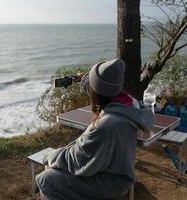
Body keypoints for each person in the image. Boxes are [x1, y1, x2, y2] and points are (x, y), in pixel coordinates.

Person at [35, 58, 154, 200]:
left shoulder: (106, 125)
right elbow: (101, 88)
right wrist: (83, 78)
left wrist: (50, 157)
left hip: (110, 182)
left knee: (47, 180)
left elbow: (77, 159)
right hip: (118, 171)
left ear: (96, 92)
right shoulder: (130, 104)